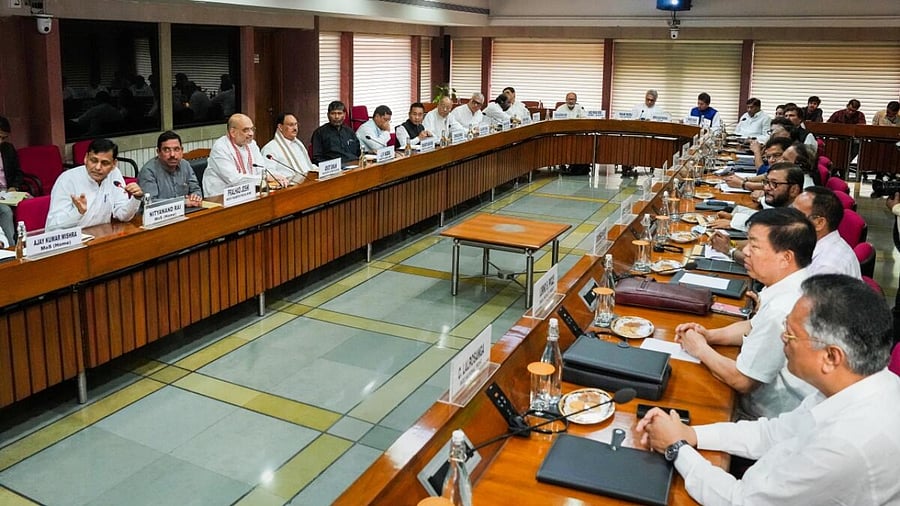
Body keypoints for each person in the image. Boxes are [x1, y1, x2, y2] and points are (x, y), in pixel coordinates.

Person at [637, 274, 900, 506]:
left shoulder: (846, 444)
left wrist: (676, 447)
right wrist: (691, 434)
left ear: (831, 357)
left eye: (791, 334)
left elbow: (741, 501)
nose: (782, 338)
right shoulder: (852, 386)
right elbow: (773, 433)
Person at [677, 208, 817, 420]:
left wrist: (699, 348)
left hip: (768, 417)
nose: (746, 251)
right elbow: (753, 325)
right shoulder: (795, 282)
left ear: (786, 257)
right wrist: (711, 335)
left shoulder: (782, 309)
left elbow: (742, 380)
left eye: (755, 246)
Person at [710, 163, 806, 261]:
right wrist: (730, 243)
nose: (766, 188)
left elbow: (763, 262)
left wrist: (728, 250)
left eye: (774, 184)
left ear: (794, 190)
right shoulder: (784, 207)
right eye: (767, 182)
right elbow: (765, 242)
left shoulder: (798, 222)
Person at [46, 138, 143, 230]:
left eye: (105, 163)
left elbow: (123, 215)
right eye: (93, 160)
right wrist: (78, 212)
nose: (98, 167)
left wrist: (136, 198)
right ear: (86, 158)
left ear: (114, 164)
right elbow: (53, 226)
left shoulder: (114, 174)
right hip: (74, 239)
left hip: (101, 235)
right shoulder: (67, 179)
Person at [791, 186, 860, 278]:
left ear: (819, 223)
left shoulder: (827, 268)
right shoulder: (815, 244)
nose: (787, 218)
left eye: (795, 214)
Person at [203, 113, 280, 196]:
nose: (251, 133)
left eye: (252, 129)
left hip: (248, 191)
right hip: (221, 195)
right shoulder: (220, 147)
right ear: (233, 132)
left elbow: (261, 169)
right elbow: (233, 179)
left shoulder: (252, 144)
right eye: (246, 130)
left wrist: (274, 177)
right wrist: (265, 178)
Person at [138, 131, 202, 206]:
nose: (172, 155)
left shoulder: (185, 165)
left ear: (182, 151)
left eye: (176, 149)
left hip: (187, 211)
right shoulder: (148, 171)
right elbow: (150, 202)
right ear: (158, 152)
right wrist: (183, 202)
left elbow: (196, 190)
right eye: (167, 150)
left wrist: (195, 197)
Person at [260, 113, 317, 179]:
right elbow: (268, 171)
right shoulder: (270, 148)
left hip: (307, 181)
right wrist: (281, 178)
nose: (295, 128)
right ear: (280, 127)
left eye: (296, 124)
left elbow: (306, 166)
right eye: (291, 125)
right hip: (287, 183)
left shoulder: (298, 144)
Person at [0, 116, 26, 244]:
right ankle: (13, 246)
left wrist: (14, 187)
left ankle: (31, 242)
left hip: (9, 192)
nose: (0, 141)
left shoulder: (8, 149)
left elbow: (18, 172)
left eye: (3, 138)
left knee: (31, 203)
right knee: (5, 211)